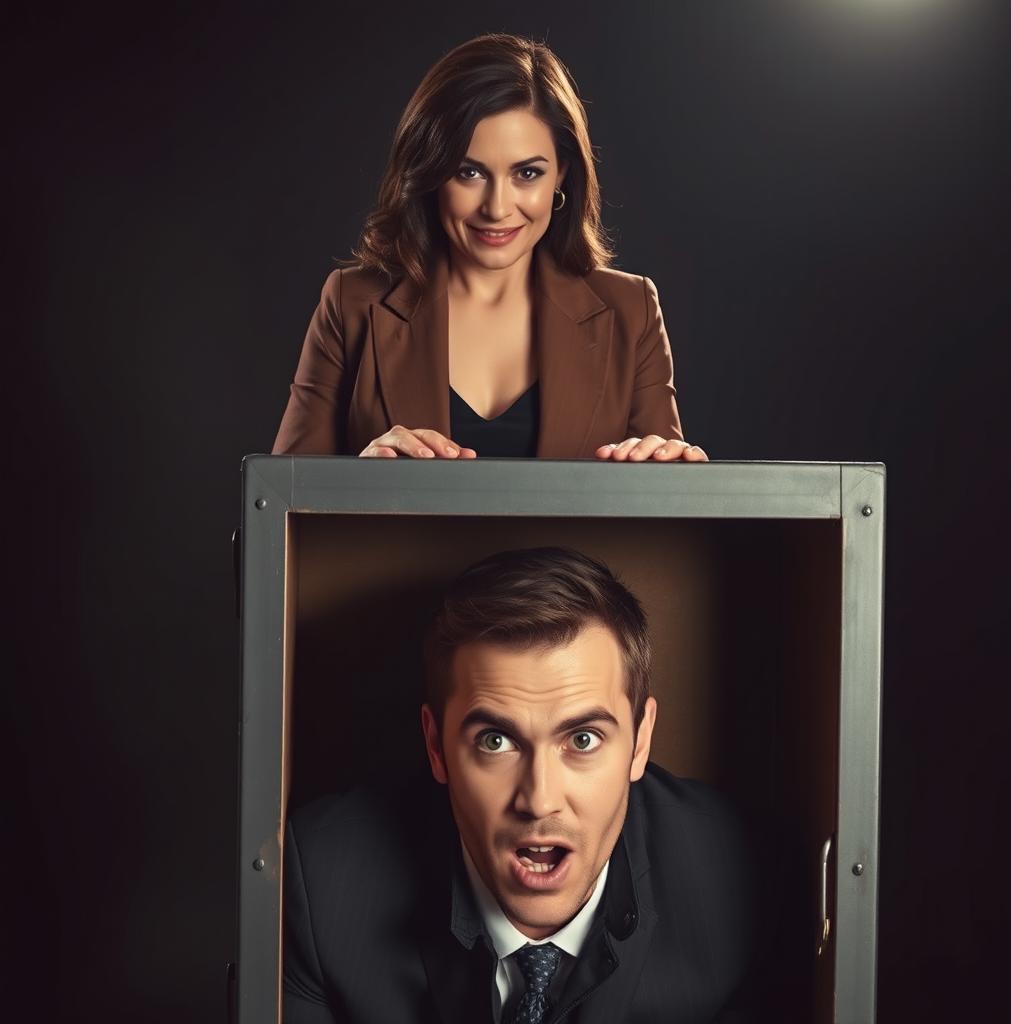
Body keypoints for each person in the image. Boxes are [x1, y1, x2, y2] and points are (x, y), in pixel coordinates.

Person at [283, 547, 754, 1023]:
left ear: (639, 741)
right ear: (436, 746)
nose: (539, 800)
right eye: (496, 740)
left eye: (583, 739)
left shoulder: (739, 881)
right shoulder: (322, 889)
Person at [272, 33, 708, 463]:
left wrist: (678, 477)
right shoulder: (351, 303)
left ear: (562, 175)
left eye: (528, 174)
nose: (498, 208)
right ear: (430, 173)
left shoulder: (633, 310)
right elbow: (278, 508)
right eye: (469, 172)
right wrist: (356, 483)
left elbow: (666, 519)